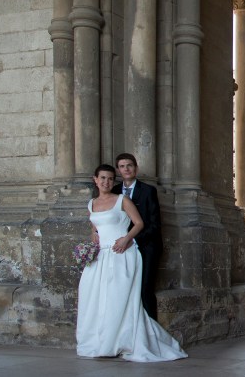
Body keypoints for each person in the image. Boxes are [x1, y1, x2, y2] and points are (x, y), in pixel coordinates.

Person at [76, 164, 186, 362]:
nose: (106, 182)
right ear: (95, 180)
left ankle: (118, 341)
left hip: (121, 253)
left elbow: (140, 223)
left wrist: (127, 239)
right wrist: (93, 239)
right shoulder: (91, 203)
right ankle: (99, 340)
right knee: (94, 296)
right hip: (100, 256)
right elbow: (94, 225)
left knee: (117, 297)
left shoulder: (122, 200)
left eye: (110, 178)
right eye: (102, 178)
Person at [112, 153, 162, 319]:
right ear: (118, 170)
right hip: (122, 248)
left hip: (146, 246)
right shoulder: (114, 191)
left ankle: (151, 332)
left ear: (136, 168)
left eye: (129, 165)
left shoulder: (148, 191)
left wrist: (132, 239)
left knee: (145, 288)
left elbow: (154, 225)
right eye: (122, 166)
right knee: (124, 288)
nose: (126, 169)